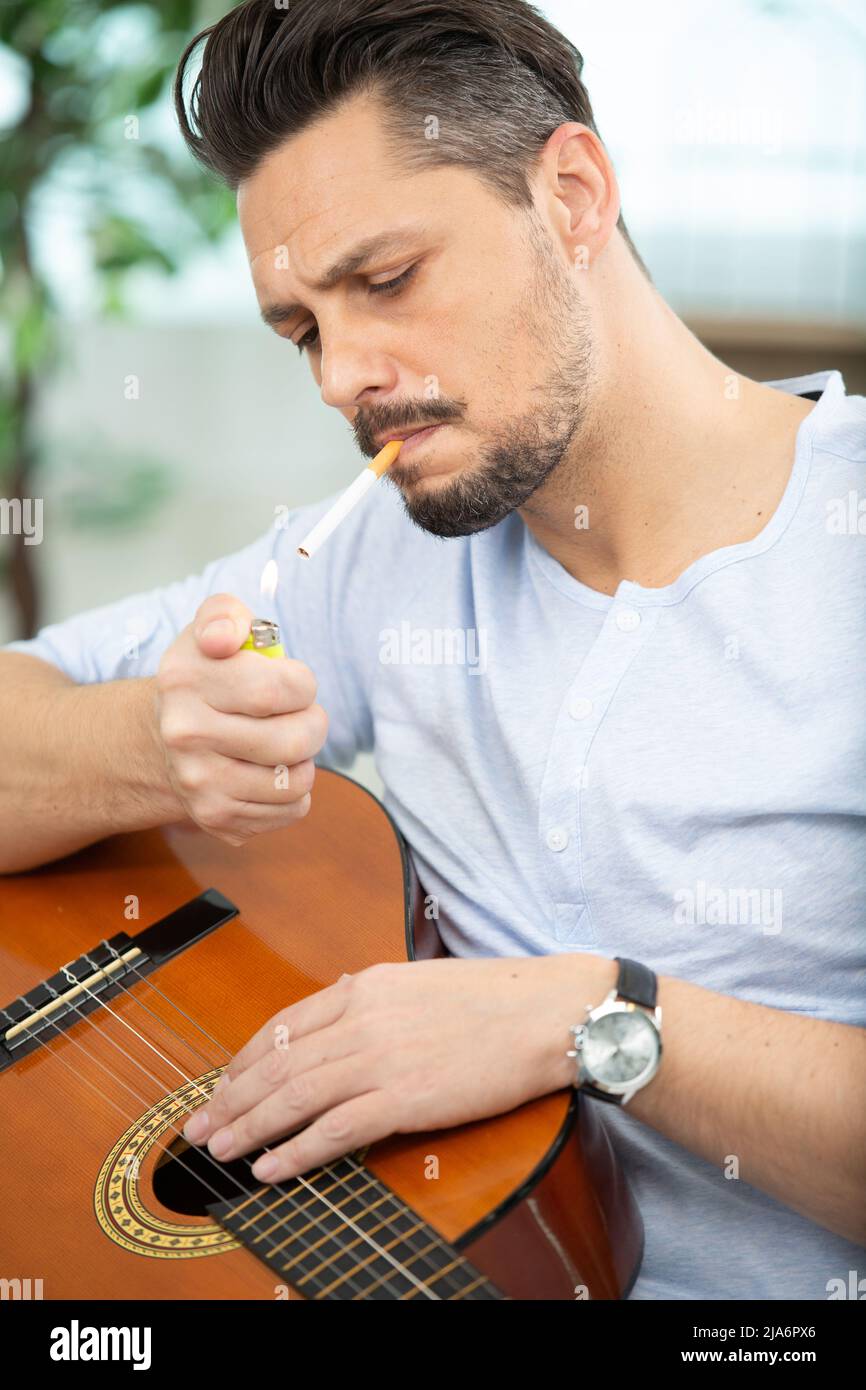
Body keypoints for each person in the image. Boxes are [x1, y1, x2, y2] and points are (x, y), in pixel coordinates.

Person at [1, 0, 863, 1300]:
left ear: (570, 195)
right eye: (300, 328)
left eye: (385, 280)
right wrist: (144, 743)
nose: (345, 374)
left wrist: (583, 1018)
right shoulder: (377, 556)